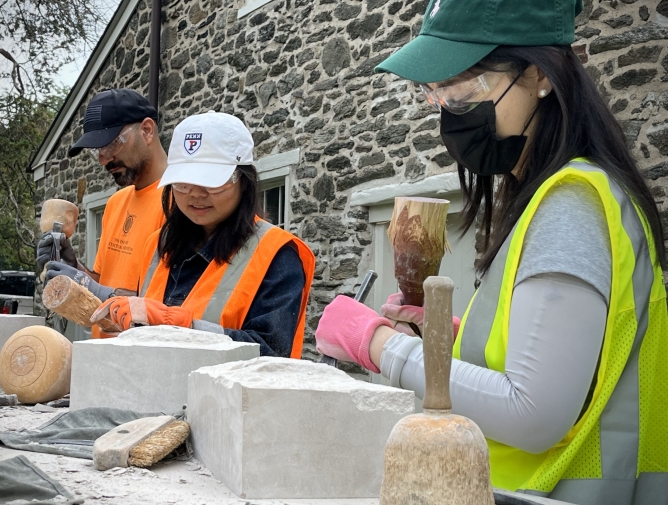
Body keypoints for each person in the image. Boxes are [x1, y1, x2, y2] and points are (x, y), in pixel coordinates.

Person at [314, 1, 668, 504]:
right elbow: (558, 357)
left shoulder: (571, 204)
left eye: (460, 91)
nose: (445, 112)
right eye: (432, 93)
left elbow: (533, 411)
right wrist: (446, 338)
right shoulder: (547, 193)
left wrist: (376, 345)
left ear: (539, 76)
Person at [91, 111, 315, 358]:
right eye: (183, 184)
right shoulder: (157, 244)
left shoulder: (277, 255)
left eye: (211, 183)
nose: (196, 194)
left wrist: (183, 328)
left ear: (243, 178)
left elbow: (271, 354)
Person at [36, 88, 168, 339]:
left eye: (111, 143)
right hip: (103, 357)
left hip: (145, 361)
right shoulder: (116, 202)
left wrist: (90, 286)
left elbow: (167, 308)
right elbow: (104, 280)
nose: (103, 159)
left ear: (147, 130)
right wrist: (75, 268)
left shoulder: (182, 204)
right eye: (97, 149)